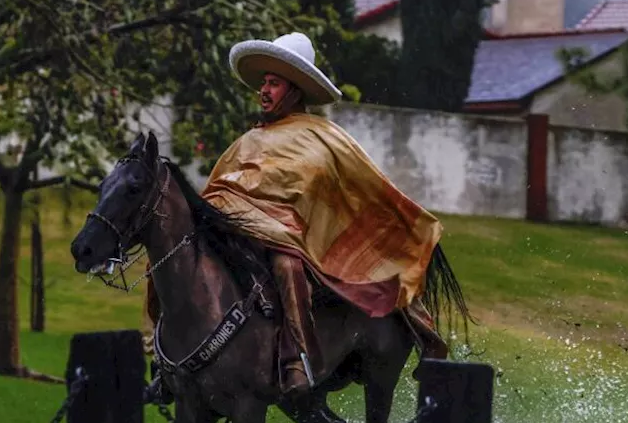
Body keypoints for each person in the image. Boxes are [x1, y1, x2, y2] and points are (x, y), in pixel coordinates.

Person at [143, 32, 449, 402]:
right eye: (263, 83)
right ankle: (165, 359)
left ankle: (296, 359)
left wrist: (277, 217)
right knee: (171, 256)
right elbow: (221, 189)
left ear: (294, 89)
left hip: (292, 237)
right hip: (235, 229)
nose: (264, 90)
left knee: (287, 266)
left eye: (274, 83)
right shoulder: (249, 139)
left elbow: (340, 193)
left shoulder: (324, 137)